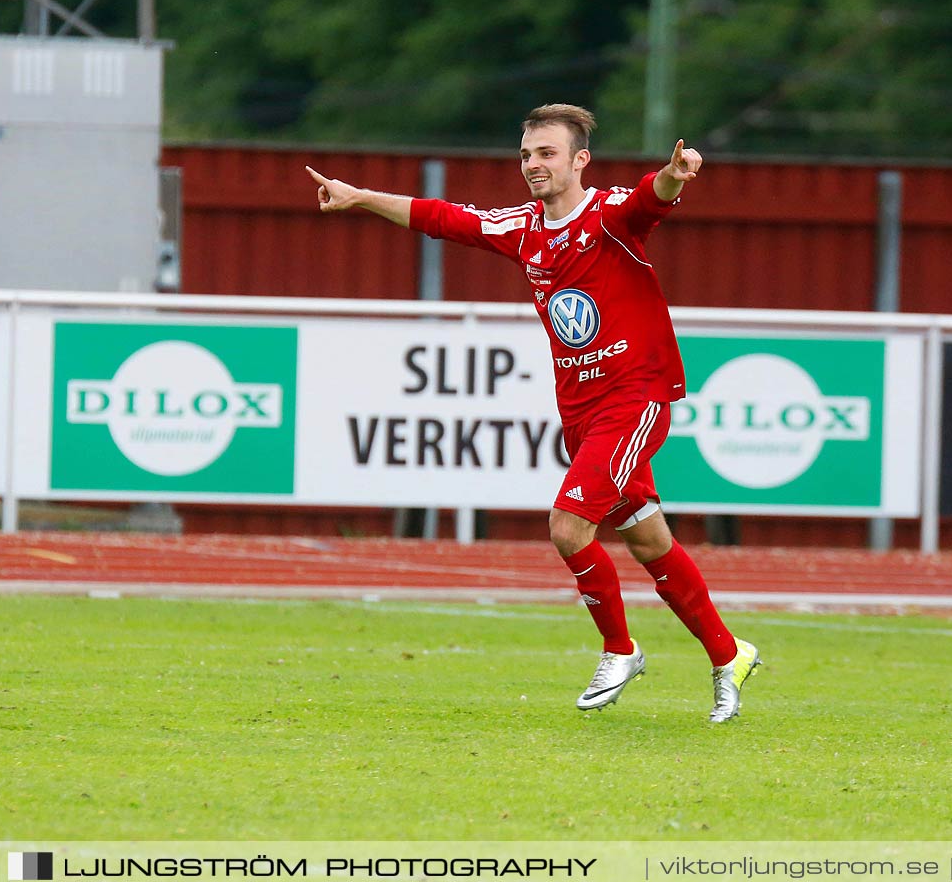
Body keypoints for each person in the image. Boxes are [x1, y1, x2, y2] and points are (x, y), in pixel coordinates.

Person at [305, 104, 762, 723]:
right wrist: (359, 196)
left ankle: (619, 649)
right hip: (581, 411)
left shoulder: (607, 215)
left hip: (636, 397)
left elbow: (650, 203)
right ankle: (728, 653)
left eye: (546, 153)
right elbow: (440, 217)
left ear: (579, 160)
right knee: (648, 538)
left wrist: (676, 174)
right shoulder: (523, 229)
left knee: (568, 527)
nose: (533, 165)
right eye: (525, 155)